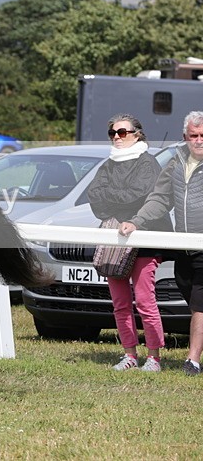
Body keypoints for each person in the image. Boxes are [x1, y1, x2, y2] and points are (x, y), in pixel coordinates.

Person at [120, 110, 203, 375]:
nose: (199, 140)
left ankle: (192, 360)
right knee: (193, 300)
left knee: (201, 305)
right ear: (185, 137)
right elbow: (159, 198)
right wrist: (136, 221)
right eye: (194, 136)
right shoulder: (176, 161)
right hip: (184, 249)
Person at [87, 114, 172, 372]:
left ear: (137, 134)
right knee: (120, 303)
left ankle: (154, 357)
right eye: (112, 133)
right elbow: (94, 197)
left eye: (122, 132)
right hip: (116, 238)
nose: (116, 137)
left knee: (145, 301)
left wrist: (116, 200)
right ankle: (129, 355)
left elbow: (143, 197)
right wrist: (121, 201)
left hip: (146, 239)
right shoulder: (108, 165)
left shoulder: (148, 163)